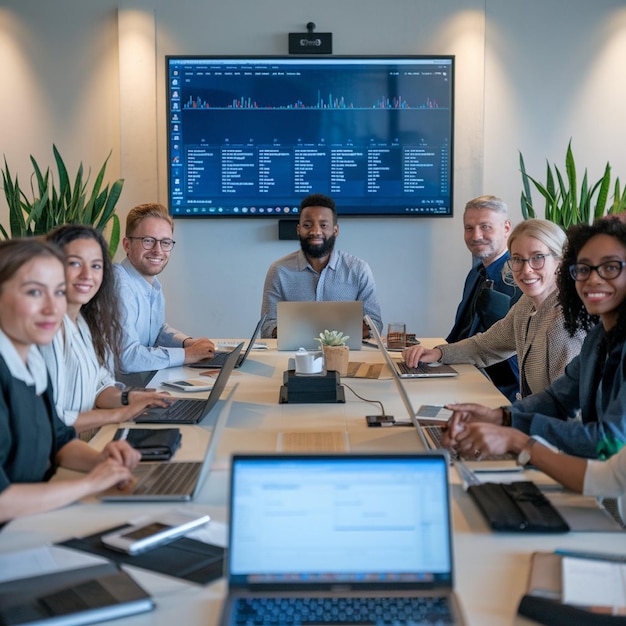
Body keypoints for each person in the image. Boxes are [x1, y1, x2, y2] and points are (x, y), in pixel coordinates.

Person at [443, 217, 626, 459]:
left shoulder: (572, 327)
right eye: (584, 268)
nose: (593, 279)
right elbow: (557, 400)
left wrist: (514, 436)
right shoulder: (598, 338)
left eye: (610, 267)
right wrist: (501, 416)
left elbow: (609, 442)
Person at [0, 238, 140, 523]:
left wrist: (104, 463)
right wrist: (89, 484)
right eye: (34, 292)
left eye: (59, 292)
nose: (53, 308)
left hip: (35, 519)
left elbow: (60, 440)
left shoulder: (31, 362)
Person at [404, 219, 585, 398]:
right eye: (517, 259)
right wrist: (439, 353)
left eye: (538, 257)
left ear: (560, 261)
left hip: (549, 424)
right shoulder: (527, 304)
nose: (526, 269)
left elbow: (566, 407)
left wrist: (506, 420)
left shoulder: (565, 321)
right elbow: (486, 346)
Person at [41, 225, 172, 435]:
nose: (87, 275)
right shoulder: (44, 332)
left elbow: (99, 385)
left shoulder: (84, 322)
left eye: (96, 266)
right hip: (59, 453)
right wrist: (120, 414)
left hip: (80, 441)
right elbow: (51, 420)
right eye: (74, 263)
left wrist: (131, 398)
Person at [260, 193, 383, 339]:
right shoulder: (279, 271)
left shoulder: (358, 269)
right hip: (294, 357)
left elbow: (374, 324)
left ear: (335, 230)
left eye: (323, 225)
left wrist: (318, 333)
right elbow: (267, 326)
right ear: (298, 229)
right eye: (307, 225)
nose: (315, 231)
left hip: (346, 355)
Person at [114, 202, 216, 373]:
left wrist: (188, 342)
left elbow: (156, 330)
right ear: (127, 245)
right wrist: (187, 354)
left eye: (165, 242)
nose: (158, 250)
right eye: (148, 241)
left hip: (142, 384)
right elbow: (128, 358)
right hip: (116, 394)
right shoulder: (118, 285)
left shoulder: (151, 284)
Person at [446, 195, 522, 401]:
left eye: (485, 227)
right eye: (469, 228)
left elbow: (511, 350)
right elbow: (461, 333)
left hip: (499, 389)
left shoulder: (519, 278)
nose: (476, 235)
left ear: (507, 228)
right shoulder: (476, 274)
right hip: (465, 371)